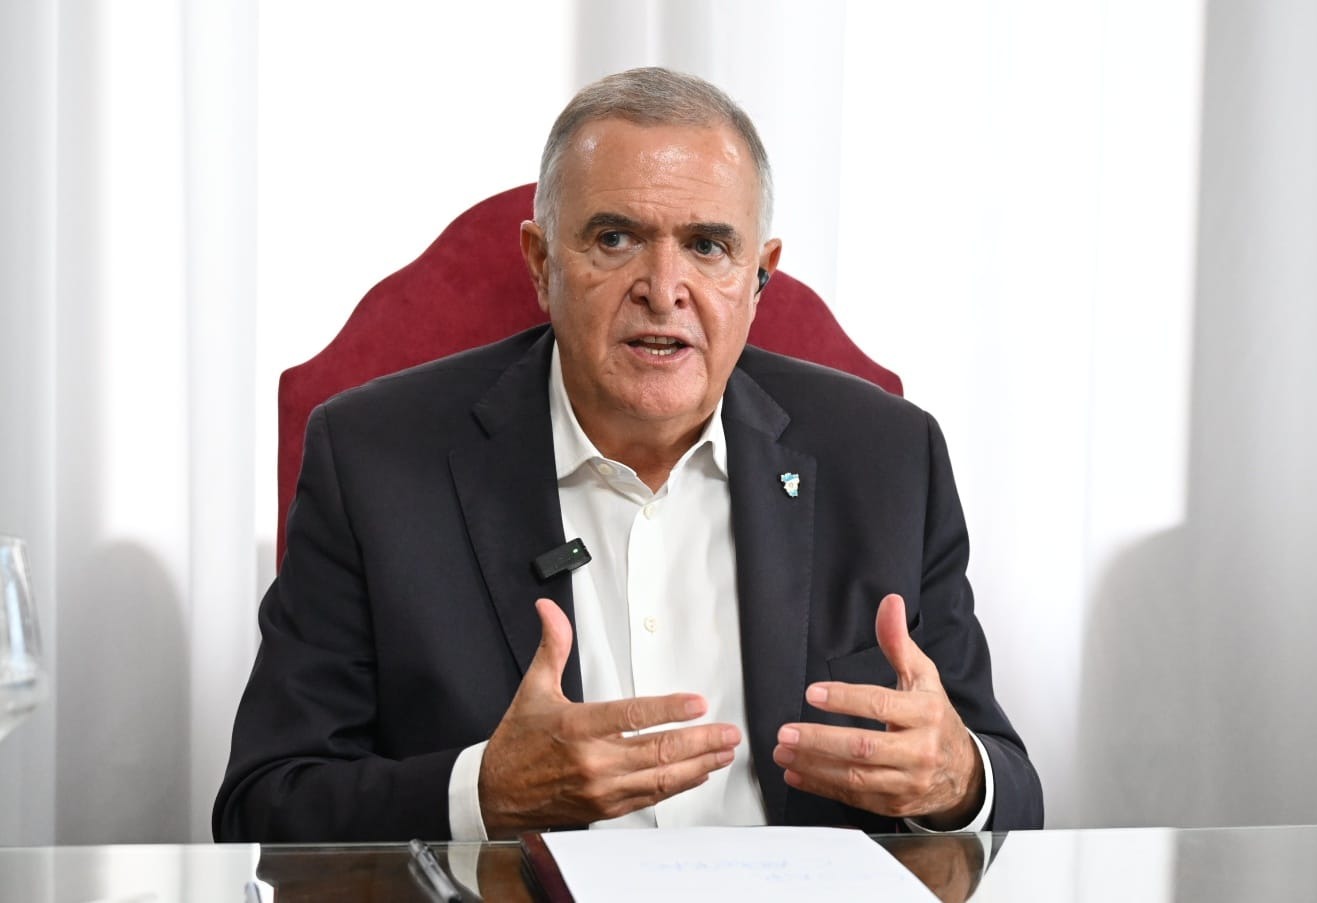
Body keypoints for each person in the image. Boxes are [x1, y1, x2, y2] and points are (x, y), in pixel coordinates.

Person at [213, 67, 1042, 842]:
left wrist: (955, 780)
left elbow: (1013, 792)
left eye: (708, 246)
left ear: (759, 277)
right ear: (542, 264)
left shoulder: (888, 458)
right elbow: (262, 805)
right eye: (615, 238)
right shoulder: (375, 463)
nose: (663, 287)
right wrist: (482, 791)